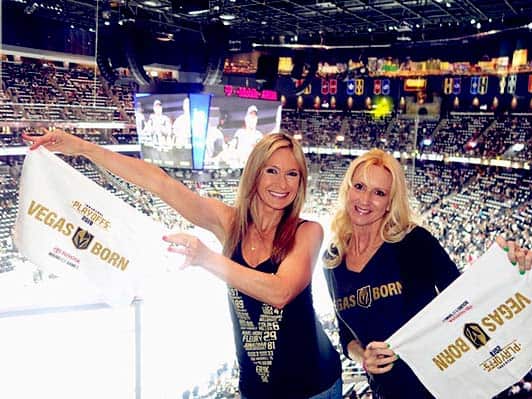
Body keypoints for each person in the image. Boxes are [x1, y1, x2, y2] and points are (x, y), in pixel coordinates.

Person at [23, 129, 342, 399]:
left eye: (292, 173)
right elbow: (160, 183)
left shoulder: (307, 231)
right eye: (272, 170)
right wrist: (80, 147)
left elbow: (280, 291)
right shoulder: (229, 223)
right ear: (255, 172)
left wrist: (206, 259)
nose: (282, 183)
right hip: (256, 389)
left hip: (313, 386)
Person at [322, 148, 532, 399]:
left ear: (390, 202)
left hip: (442, 386)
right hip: (388, 392)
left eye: (379, 193)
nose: (365, 200)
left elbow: (467, 299)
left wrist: (509, 269)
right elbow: (346, 334)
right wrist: (363, 357)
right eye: (359, 186)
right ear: (346, 189)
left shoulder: (414, 242)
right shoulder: (332, 259)